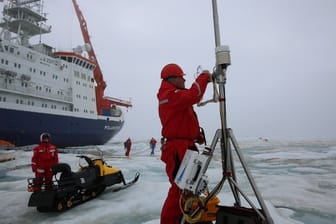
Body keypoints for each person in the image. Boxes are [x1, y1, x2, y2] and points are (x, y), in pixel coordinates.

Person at [157, 63, 211, 224]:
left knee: (190, 188)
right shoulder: (169, 95)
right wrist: (204, 77)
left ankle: (187, 219)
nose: (184, 81)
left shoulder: (174, 96)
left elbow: (182, 118)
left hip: (184, 147)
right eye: (182, 77)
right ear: (172, 78)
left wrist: (195, 135)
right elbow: (194, 95)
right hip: (177, 150)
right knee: (179, 189)